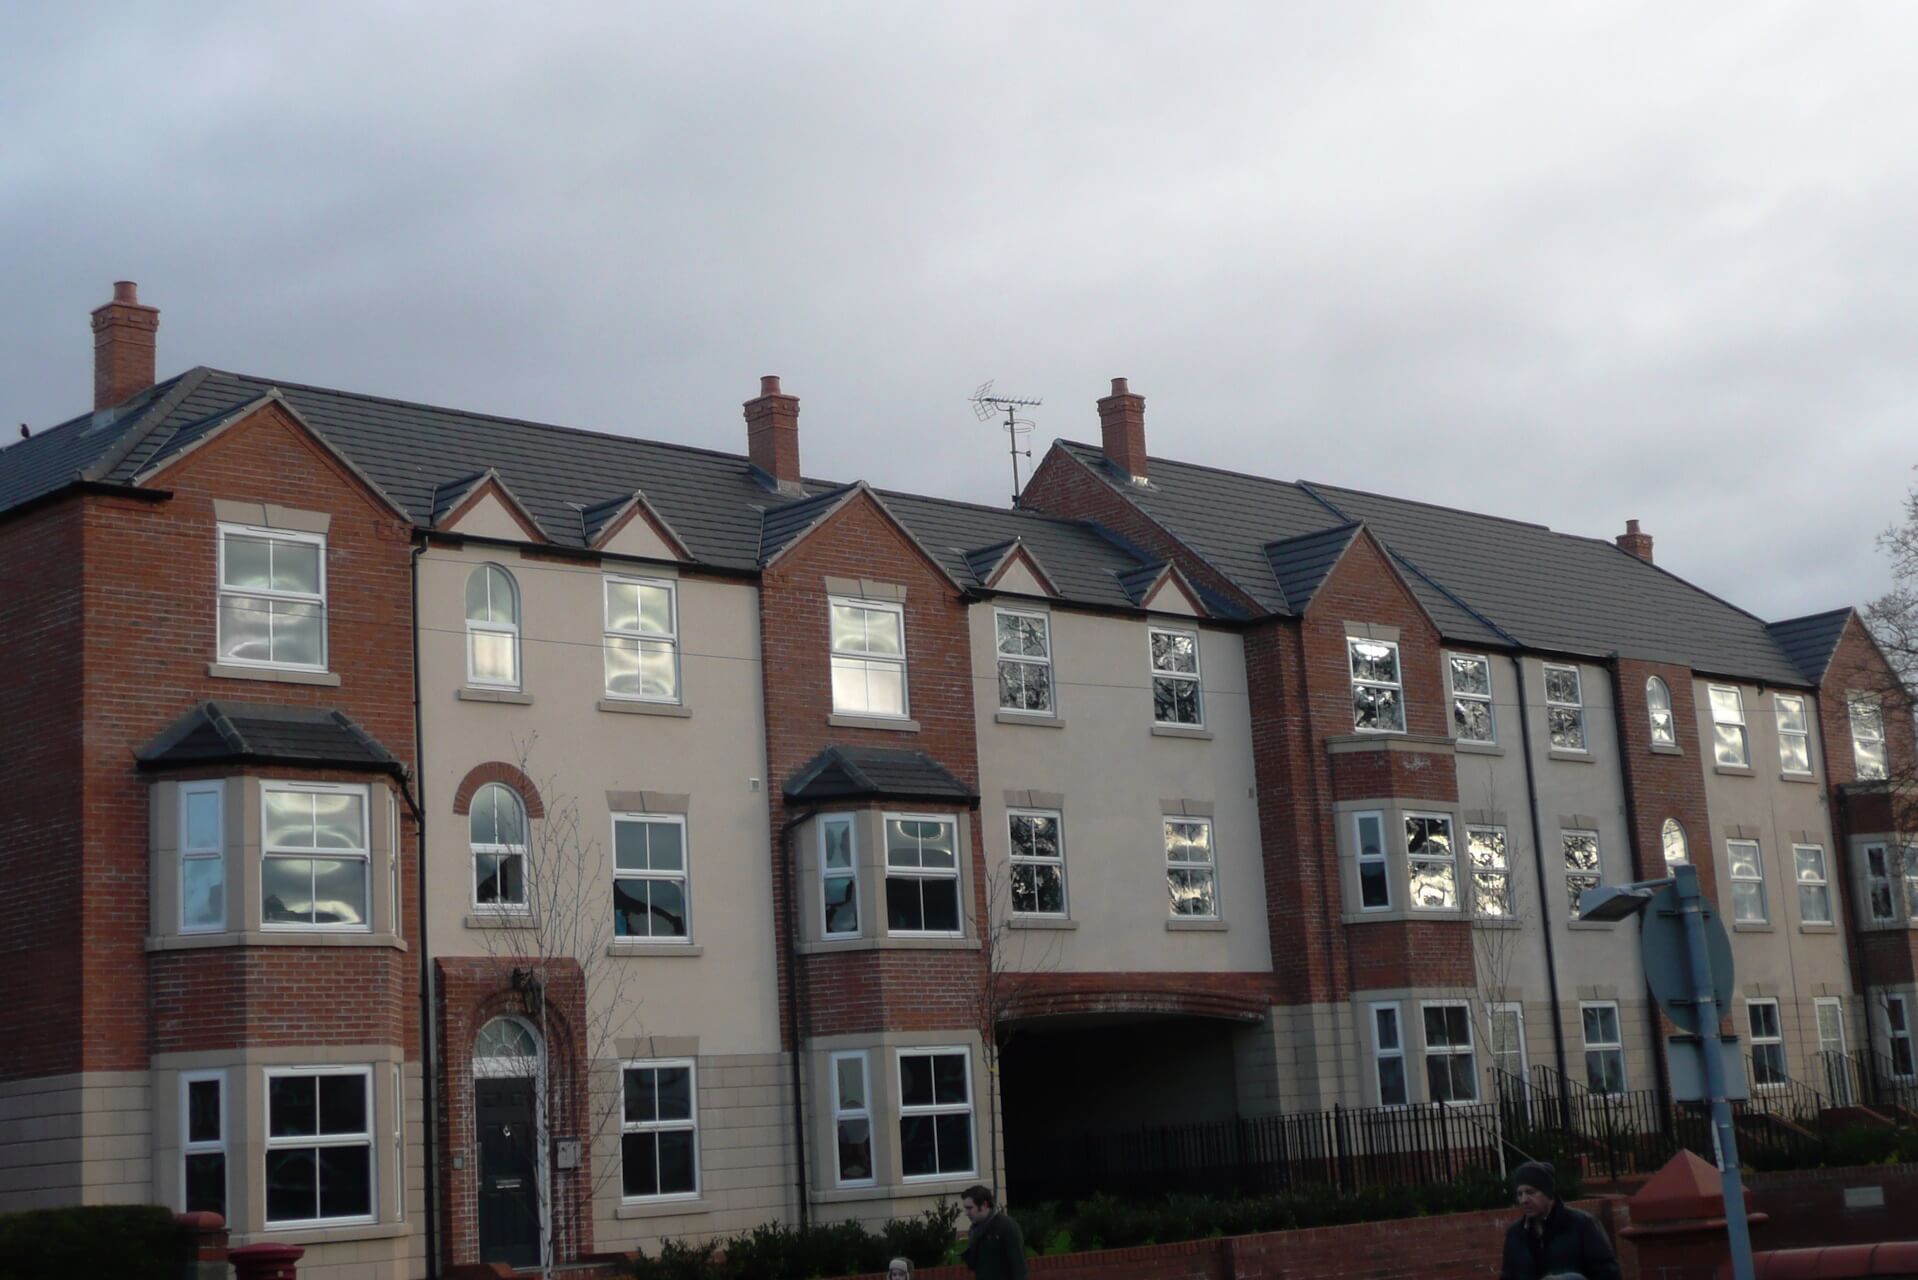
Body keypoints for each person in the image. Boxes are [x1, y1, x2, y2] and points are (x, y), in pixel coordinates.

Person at [1500, 1161, 1619, 1280]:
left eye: (1530, 1192)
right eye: (1519, 1194)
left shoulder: (1582, 1224)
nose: (1523, 1200)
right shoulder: (1515, 1234)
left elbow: (1608, 1273)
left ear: (1548, 1193)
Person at [960, 1184, 1027, 1280]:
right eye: (965, 1208)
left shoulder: (1007, 1226)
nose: (966, 1213)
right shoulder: (976, 1230)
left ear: (984, 1205)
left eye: (970, 1208)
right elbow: (973, 1266)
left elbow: (1019, 1267)